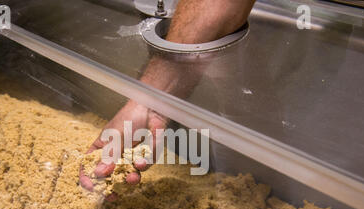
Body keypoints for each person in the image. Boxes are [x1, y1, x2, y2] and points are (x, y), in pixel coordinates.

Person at [80, 0, 255, 198]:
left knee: (242, 160)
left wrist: (149, 99)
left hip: (240, 47)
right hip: (181, 31)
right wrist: (148, 102)